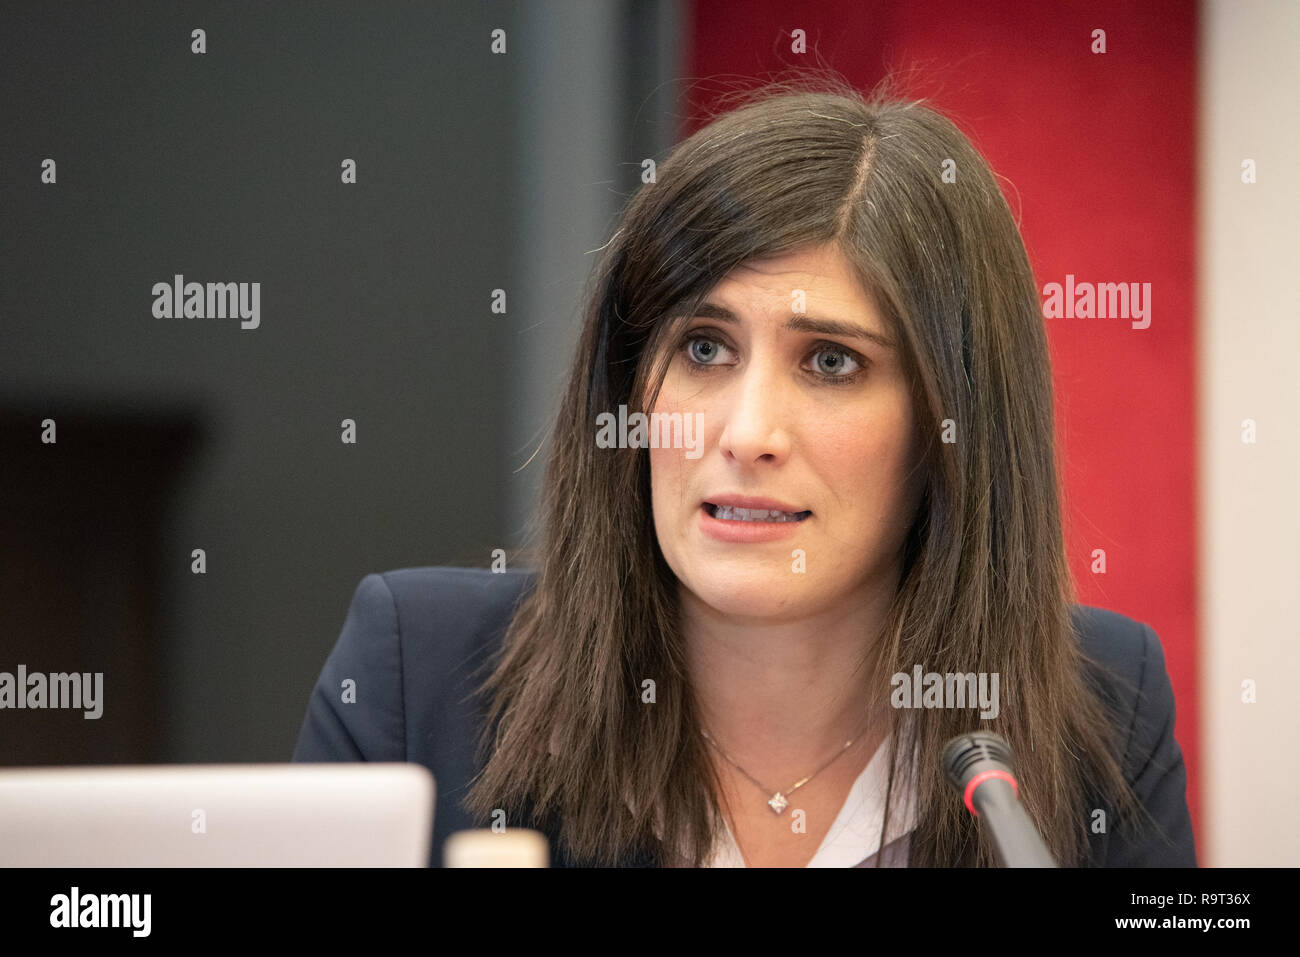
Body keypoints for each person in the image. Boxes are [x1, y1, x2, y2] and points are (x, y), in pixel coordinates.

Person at [292, 76, 1197, 868]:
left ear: (949, 427)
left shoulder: (1102, 708)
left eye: (832, 362)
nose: (749, 431)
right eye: (704, 346)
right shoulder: (419, 672)